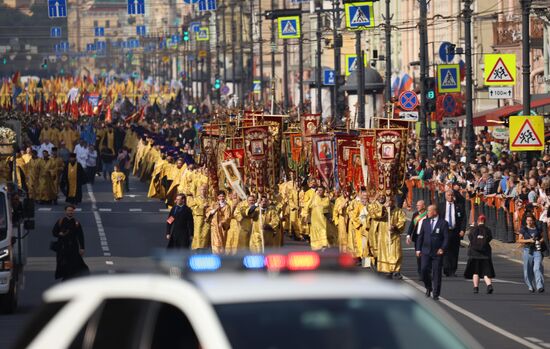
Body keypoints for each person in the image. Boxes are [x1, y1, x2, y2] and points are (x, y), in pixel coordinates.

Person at [416, 205, 449, 301]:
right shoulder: (425, 222)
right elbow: (420, 237)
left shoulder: (443, 223)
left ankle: (436, 293)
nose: (427, 212)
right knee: (423, 270)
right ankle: (428, 287)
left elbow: (446, 238)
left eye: (429, 211)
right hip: (425, 251)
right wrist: (418, 249)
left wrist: (442, 248)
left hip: (437, 252)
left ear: (435, 212)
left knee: (437, 273)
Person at [52, 205, 89, 281]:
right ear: (65, 211)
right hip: (62, 247)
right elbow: (54, 232)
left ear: (74, 212)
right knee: (62, 263)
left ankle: (70, 278)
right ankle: (65, 278)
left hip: (73, 247)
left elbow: (80, 236)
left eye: (71, 211)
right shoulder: (60, 221)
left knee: (74, 263)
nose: (70, 212)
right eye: (69, 210)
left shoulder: (76, 223)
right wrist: (59, 234)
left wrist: (82, 248)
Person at [464, 215, 495, 294]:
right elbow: (489, 238)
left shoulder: (473, 229)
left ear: (478, 221)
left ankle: (475, 287)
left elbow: (470, 238)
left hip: (474, 254)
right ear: (485, 221)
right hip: (485, 254)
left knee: (475, 272)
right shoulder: (487, 230)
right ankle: (489, 285)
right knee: (486, 272)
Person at [439, 189, 466, 277]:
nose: (450, 197)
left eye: (451, 195)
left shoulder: (459, 206)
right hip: (444, 231)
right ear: (445, 196)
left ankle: (453, 270)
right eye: (448, 195)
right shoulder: (441, 206)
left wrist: (462, 230)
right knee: (445, 250)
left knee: (454, 251)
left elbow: (463, 219)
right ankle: (446, 269)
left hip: (455, 231)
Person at [517, 214, 545, 293]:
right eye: (528, 220)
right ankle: (530, 286)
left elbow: (543, 237)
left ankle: (540, 286)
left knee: (537, 268)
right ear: (526, 221)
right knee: (527, 270)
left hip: (537, 250)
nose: (529, 222)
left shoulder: (538, 229)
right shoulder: (523, 229)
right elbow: (519, 240)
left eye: (531, 220)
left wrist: (539, 241)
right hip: (527, 251)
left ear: (533, 221)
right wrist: (529, 240)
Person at [406, 200, 428, 276]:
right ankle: (420, 273)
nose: (417, 206)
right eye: (417, 205)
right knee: (419, 256)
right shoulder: (415, 214)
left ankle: (426, 272)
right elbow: (411, 225)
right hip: (418, 237)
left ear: (423, 206)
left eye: (419, 205)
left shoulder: (428, 214)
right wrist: (408, 235)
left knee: (426, 256)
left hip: (426, 238)